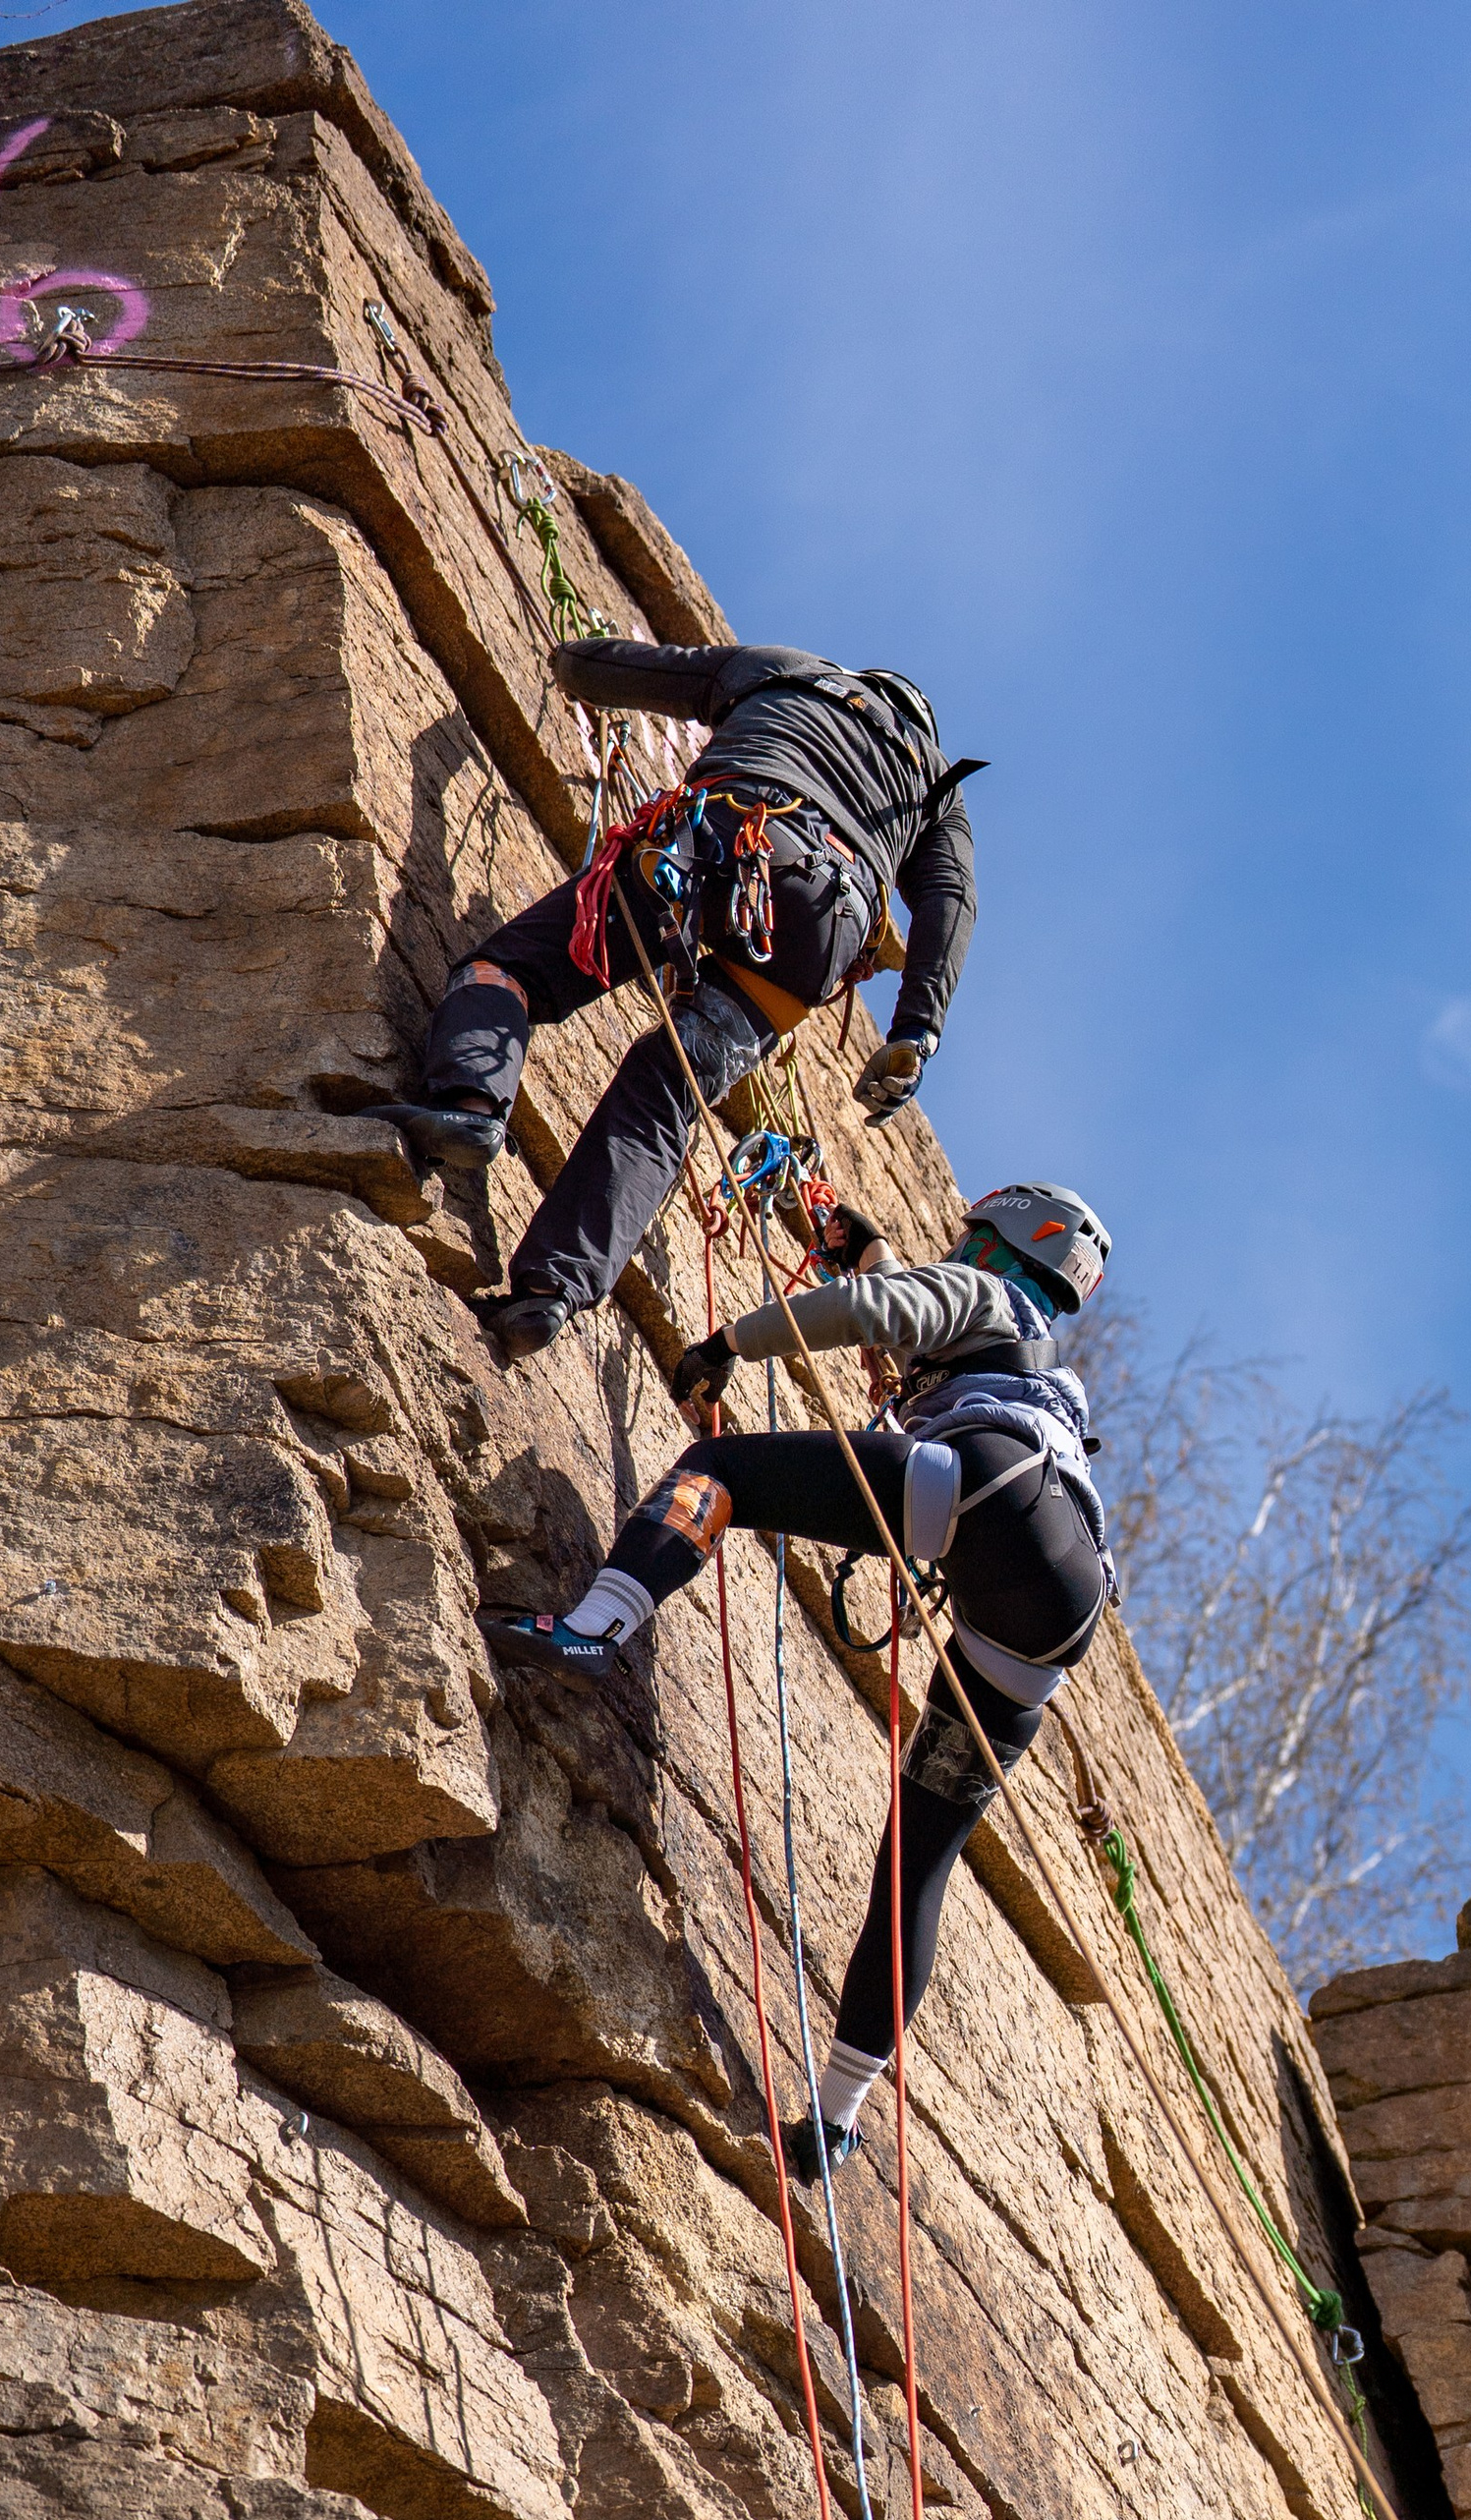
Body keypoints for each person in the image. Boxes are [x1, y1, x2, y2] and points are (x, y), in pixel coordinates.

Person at [485, 1185, 1110, 2165]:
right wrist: (866, 1251)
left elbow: (879, 1314)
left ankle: (596, 1627)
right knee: (916, 1863)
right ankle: (838, 2115)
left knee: (716, 1470)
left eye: (967, 1242)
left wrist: (728, 1343)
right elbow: (896, 1304)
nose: (957, 1251)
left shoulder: (987, 1297)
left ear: (996, 1244)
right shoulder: (1032, 1356)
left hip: (986, 1492)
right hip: (1048, 1615)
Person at [397, 643, 981, 1364]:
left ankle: (469, 1105)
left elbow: (602, 669)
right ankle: (550, 1291)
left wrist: (571, 660)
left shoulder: (794, 673)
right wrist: (917, 1031)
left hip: (725, 838)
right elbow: (951, 904)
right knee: (668, 1089)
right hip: (824, 929)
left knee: (511, 970)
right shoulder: (936, 793)